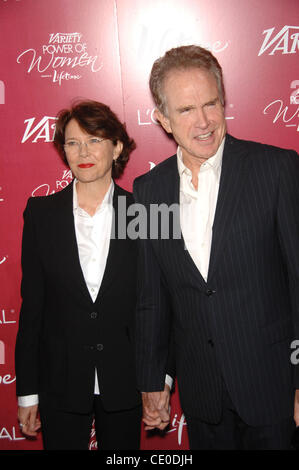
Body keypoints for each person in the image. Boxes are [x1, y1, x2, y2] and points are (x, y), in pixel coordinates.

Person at [133, 45, 299, 450]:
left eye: (211, 103)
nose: (204, 121)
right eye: (186, 109)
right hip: (203, 397)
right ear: (163, 120)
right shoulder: (146, 192)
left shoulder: (277, 169)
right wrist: (154, 379)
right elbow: (151, 298)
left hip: (274, 390)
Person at [15, 100, 142, 450]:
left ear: (117, 147)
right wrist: (27, 392)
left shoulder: (144, 211)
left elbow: (158, 303)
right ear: (63, 150)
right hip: (60, 381)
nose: (83, 152)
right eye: (73, 142)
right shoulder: (41, 215)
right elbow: (33, 310)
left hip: (127, 380)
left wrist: (158, 377)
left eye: (95, 140)